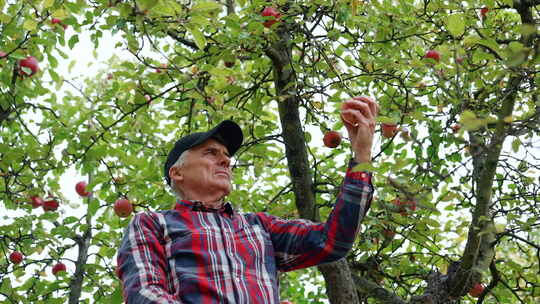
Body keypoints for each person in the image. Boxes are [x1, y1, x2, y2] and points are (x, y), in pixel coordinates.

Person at [117, 96, 378, 303]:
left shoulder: (258, 227)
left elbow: (333, 240)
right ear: (177, 172)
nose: (226, 160)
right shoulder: (151, 224)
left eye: (226, 155)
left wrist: (362, 155)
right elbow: (145, 294)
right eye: (210, 153)